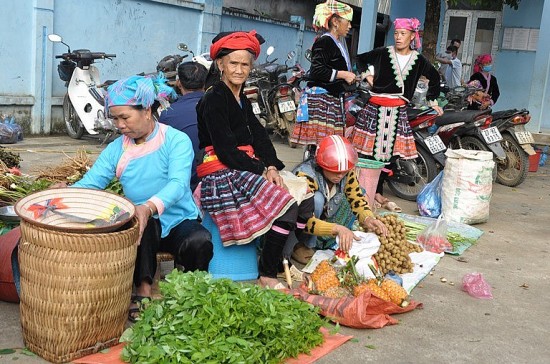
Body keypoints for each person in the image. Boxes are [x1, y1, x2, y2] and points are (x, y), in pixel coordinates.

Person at [72, 74, 213, 321]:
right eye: (115, 118)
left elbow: (178, 184)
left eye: (125, 117)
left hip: (179, 221)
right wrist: (61, 195)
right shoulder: (117, 149)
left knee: (200, 240)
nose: (120, 125)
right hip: (143, 226)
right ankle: (142, 293)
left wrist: (149, 207)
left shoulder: (175, 140)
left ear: (147, 111)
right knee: (138, 223)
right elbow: (91, 184)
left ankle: (194, 294)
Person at [196, 30, 311, 289]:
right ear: (220, 64)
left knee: (306, 197)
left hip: (242, 165)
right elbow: (226, 150)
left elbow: (259, 136)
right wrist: (261, 170)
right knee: (287, 207)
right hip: (221, 173)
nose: (239, 70)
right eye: (233, 63)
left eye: (245, 64)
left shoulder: (241, 99)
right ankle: (268, 273)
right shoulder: (214, 98)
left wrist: (271, 165)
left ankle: (278, 253)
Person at [349, 17, 443, 212]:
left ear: (412, 36)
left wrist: (433, 100)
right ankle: (364, 196)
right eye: (396, 34)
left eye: (403, 34)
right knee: (367, 154)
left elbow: (434, 78)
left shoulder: (418, 60)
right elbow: (359, 58)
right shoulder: (384, 53)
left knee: (388, 156)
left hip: (397, 111)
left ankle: (377, 193)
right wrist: (367, 74)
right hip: (374, 108)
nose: (398, 37)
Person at [292, 135, 387, 257]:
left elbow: (356, 198)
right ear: (321, 165)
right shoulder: (306, 175)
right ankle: (303, 245)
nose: (340, 176)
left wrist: (368, 219)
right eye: (335, 172)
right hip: (299, 223)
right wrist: (336, 229)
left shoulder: (346, 173)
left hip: (325, 214)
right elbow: (304, 220)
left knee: (360, 192)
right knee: (317, 199)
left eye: (343, 172)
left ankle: (322, 240)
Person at [289, 0, 355, 147]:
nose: (350, 26)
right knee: (322, 148)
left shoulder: (338, 43)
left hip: (332, 101)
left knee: (329, 147)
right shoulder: (325, 42)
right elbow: (317, 71)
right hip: (323, 102)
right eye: (348, 22)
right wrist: (343, 74)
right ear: (336, 22)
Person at [159, 61, 208, 192]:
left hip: (186, 184)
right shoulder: (223, 107)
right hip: (220, 181)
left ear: (179, 83)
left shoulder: (168, 114)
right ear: (205, 83)